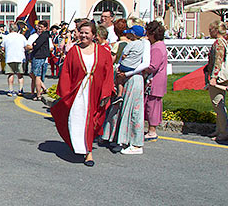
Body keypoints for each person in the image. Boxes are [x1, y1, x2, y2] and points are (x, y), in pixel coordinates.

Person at [50, 20, 114, 167]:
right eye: (81, 33)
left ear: (93, 35)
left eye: (87, 33)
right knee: (77, 119)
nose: (83, 36)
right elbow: (65, 73)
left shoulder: (103, 52)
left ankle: (88, 151)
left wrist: (106, 92)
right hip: (77, 92)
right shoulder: (74, 51)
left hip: (95, 91)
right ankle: (81, 146)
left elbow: (108, 73)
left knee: (91, 120)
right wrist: (65, 93)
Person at [106, 25, 150, 154]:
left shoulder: (144, 43)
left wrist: (128, 73)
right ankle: (118, 137)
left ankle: (135, 143)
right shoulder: (130, 44)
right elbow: (121, 59)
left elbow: (145, 63)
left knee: (133, 110)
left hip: (134, 77)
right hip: (125, 76)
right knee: (120, 108)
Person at [204, 21, 228, 142]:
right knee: (220, 102)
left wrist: (213, 77)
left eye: (211, 29)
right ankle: (220, 129)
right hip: (226, 76)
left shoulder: (218, 42)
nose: (209, 31)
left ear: (216, 30)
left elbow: (218, 60)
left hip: (219, 77)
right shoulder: (226, 41)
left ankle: (224, 132)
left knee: (218, 103)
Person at [144, 21, 168, 141]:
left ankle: (152, 130)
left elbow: (153, 66)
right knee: (153, 105)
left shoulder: (157, 47)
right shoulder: (160, 45)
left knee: (152, 106)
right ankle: (151, 129)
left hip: (154, 81)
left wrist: (142, 68)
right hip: (157, 80)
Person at [26, 20, 51, 101]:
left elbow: (36, 45)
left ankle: (38, 94)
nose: (39, 29)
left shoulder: (44, 35)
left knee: (37, 76)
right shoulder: (42, 35)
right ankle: (43, 88)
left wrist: (33, 45)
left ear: (45, 28)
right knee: (33, 74)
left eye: (41, 27)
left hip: (39, 57)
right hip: (37, 56)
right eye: (38, 27)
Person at [2, 23, 26, 95]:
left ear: (10, 29)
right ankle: (20, 90)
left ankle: (10, 90)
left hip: (10, 57)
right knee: (20, 75)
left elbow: (3, 47)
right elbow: (26, 45)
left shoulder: (6, 37)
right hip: (20, 57)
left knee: (10, 74)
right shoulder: (21, 36)